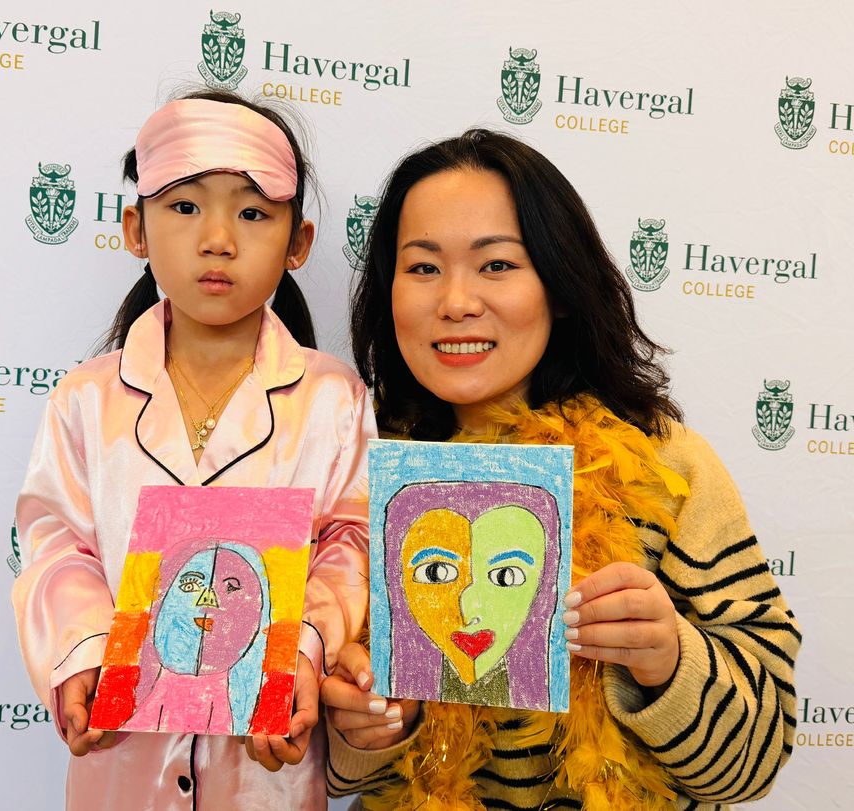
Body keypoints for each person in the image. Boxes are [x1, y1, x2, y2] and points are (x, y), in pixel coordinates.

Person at [323, 129, 800, 810]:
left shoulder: (669, 467)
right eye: (423, 267)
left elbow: (755, 760)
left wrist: (665, 660)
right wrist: (366, 730)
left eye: (496, 265)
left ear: (562, 284)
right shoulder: (352, 473)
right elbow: (306, 765)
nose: (455, 300)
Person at [11, 89, 375, 810]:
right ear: (134, 229)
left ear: (297, 242)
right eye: (184, 207)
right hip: (124, 765)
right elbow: (57, 542)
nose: (218, 239)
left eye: (251, 211)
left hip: (267, 765)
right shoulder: (86, 399)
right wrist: (82, 654)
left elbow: (351, 540)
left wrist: (300, 648)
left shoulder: (334, 399)